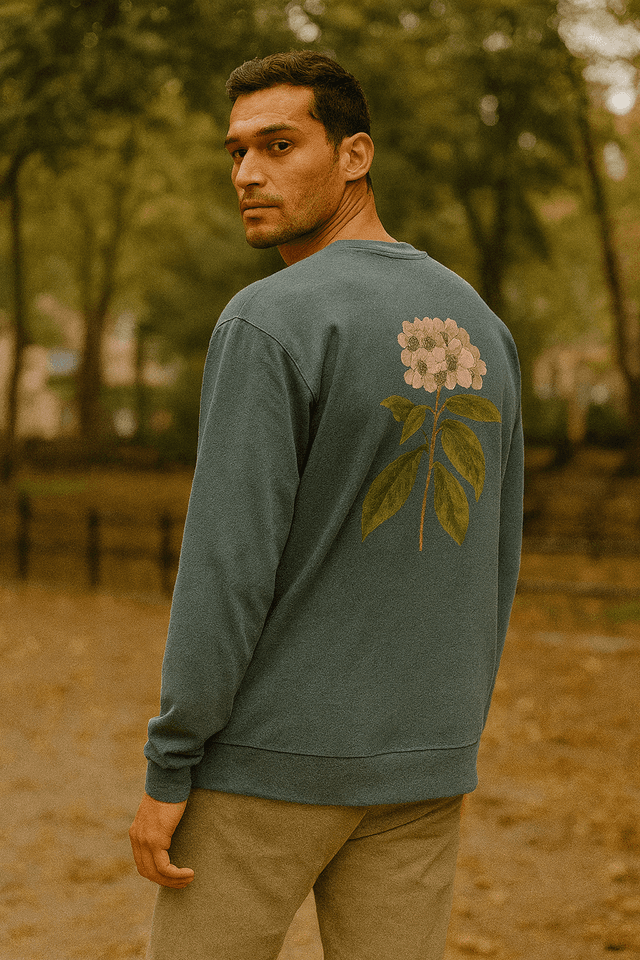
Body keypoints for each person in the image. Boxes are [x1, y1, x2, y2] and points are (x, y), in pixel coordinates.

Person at [129, 50, 524, 960]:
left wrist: (170, 762)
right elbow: (499, 556)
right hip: (423, 764)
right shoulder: (483, 327)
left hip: (266, 769)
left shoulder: (268, 320)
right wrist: (446, 731)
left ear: (354, 155)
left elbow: (227, 568)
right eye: (235, 151)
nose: (247, 173)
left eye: (278, 144)